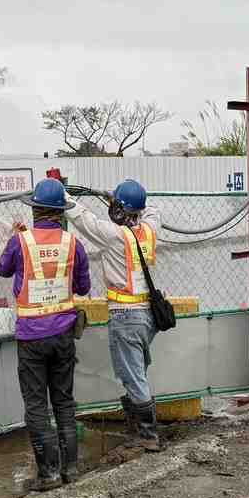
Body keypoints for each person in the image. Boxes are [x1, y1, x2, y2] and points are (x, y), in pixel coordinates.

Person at [0, 177, 92, 489]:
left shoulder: (20, 242)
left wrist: (15, 238)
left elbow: (3, 269)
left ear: (35, 209)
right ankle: (71, 469)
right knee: (64, 401)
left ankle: (48, 474)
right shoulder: (73, 244)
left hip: (31, 337)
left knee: (37, 405)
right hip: (63, 334)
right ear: (61, 212)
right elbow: (83, 287)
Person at [64, 178, 162, 450]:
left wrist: (62, 195)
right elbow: (153, 210)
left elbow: (82, 218)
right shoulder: (150, 230)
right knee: (136, 370)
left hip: (126, 316)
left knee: (133, 376)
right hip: (147, 317)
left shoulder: (113, 236)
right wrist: (120, 200)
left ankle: (147, 435)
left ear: (119, 210)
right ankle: (138, 428)